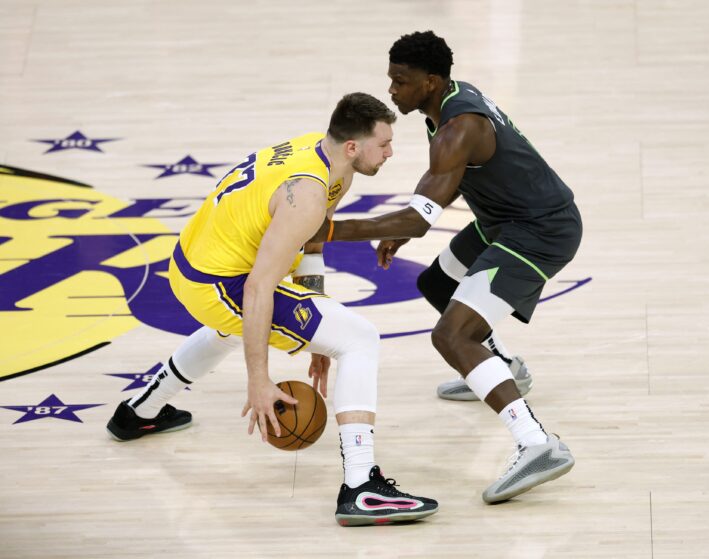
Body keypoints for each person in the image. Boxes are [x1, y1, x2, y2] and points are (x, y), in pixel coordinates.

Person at [105, 92, 438, 526]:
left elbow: (312, 241)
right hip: (219, 283)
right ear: (353, 146)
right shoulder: (308, 192)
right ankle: (361, 488)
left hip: (192, 262)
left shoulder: (325, 158)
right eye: (385, 144)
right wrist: (258, 379)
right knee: (359, 339)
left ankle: (139, 412)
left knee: (241, 328)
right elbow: (259, 287)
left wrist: (319, 329)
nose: (391, 152)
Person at [312, 31, 582, 504]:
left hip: (539, 231)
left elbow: (422, 214)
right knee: (437, 282)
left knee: (452, 336)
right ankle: (504, 368)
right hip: (502, 221)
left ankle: (536, 443)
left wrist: (330, 229)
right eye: (391, 79)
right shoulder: (445, 107)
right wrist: (403, 224)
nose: (392, 91)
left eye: (401, 81)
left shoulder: (460, 126)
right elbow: (446, 176)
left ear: (430, 82)